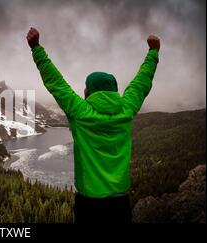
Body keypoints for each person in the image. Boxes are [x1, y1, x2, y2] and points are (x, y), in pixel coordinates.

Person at [26, 27, 160, 223]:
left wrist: (36, 48)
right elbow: (141, 83)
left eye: (86, 88)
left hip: (89, 203)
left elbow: (56, 83)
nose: (84, 91)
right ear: (114, 90)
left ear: (90, 92)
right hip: (120, 201)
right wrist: (153, 52)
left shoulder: (80, 112)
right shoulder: (127, 108)